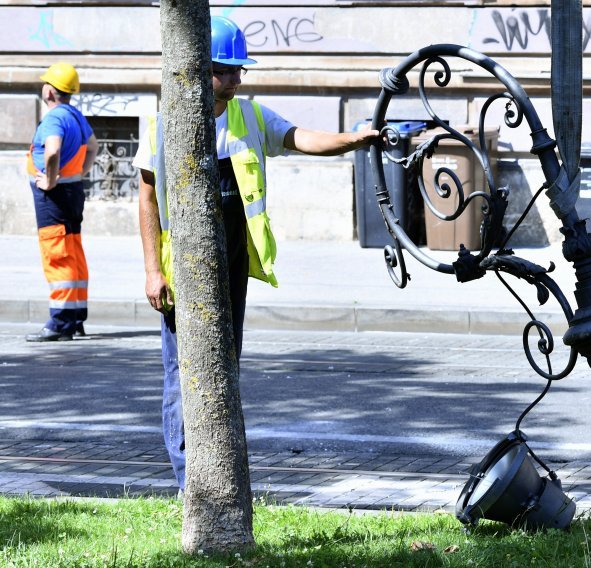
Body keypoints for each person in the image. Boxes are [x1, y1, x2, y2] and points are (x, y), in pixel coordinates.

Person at [134, 16, 379, 491]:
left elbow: (301, 138)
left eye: (239, 71)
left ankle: (217, 472)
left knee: (224, 367)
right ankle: (191, 484)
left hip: (234, 264)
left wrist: (354, 139)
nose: (236, 79)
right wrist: (150, 271)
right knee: (181, 374)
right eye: (226, 71)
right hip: (180, 268)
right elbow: (145, 197)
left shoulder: (250, 116)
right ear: (197, 67)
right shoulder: (164, 124)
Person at [26, 63, 99, 342]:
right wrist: (81, 173)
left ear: (50, 90)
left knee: (57, 254)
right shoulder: (76, 116)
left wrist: (52, 179)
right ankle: (75, 316)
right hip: (73, 193)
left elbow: (53, 149)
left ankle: (60, 322)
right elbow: (93, 146)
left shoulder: (55, 118)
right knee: (73, 250)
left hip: (54, 197)